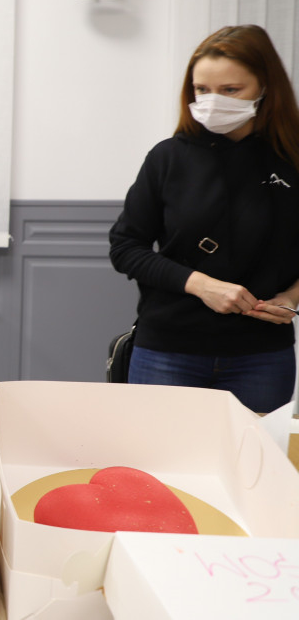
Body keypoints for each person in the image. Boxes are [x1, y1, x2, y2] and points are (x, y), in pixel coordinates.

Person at [109, 24, 299, 413]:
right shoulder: (167, 158)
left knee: (253, 470)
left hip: (261, 356)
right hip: (167, 350)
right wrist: (201, 285)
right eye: (202, 90)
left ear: (266, 87)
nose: (214, 101)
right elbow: (126, 247)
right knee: (159, 466)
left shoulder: (291, 161)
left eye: (231, 90)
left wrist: (293, 299)